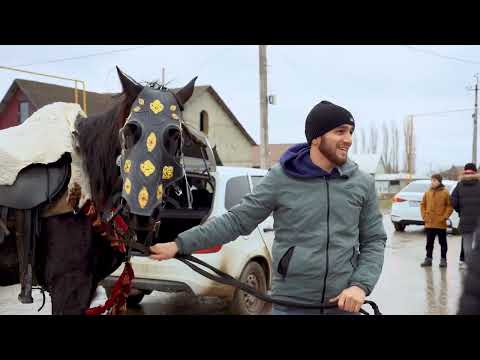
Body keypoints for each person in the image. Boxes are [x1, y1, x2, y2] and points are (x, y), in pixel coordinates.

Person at [149, 100, 387, 315]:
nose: (349, 139)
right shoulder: (281, 178)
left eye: (350, 132)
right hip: (291, 305)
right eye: (340, 131)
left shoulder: (361, 183)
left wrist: (359, 286)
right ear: (316, 137)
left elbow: (374, 239)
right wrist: (180, 244)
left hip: (343, 304)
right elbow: (237, 221)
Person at [420, 174, 453, 268]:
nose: (433, 182)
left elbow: (449, 206)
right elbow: (422, 204)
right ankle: (428, 259)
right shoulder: (427, 192)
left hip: (440, 223)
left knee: (443, 243)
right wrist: (424, 216)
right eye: (432, 180)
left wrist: (444, 217)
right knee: (429, 243)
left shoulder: (445, 192)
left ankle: (443, 260)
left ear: (439, 181)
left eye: (435, 180)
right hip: (429, 223)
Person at [451, 163, 480, 267]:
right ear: (475, 172)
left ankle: (467, 263)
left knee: (466, 242)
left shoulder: (459, 185)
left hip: (465, 219)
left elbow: (453, 202)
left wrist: (460, 211)